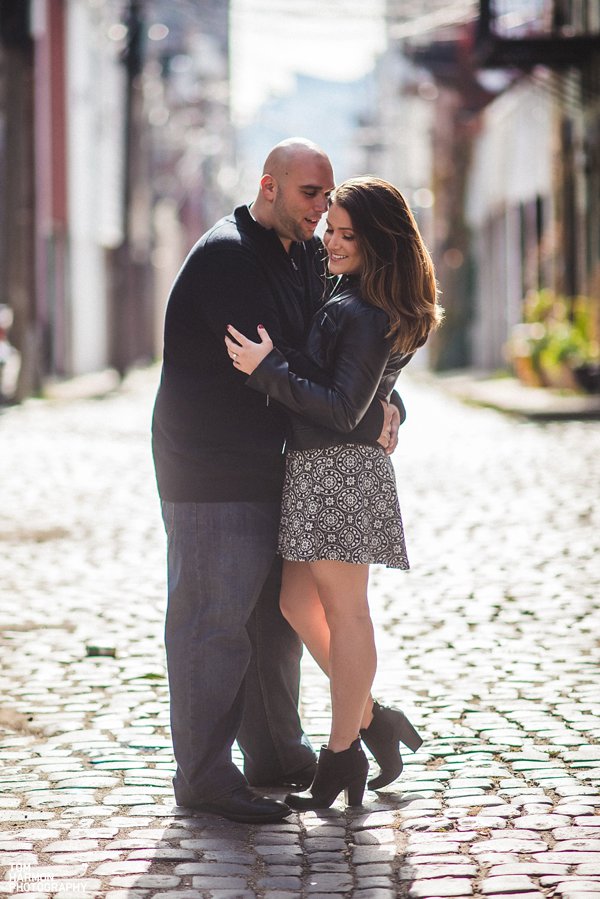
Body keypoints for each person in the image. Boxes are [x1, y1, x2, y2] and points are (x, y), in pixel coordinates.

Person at [151, 141, 404, 823]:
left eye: (328, 196)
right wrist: (357, 403)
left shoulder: (301, 254)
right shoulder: (229, 254)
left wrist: (385, 402)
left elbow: (339, 356)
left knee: (273, 619)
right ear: (269, 186)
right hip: (212, 466)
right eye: (310, 194)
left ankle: (276, 753)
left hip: (278, 462)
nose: (323, 210)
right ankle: (204, 777)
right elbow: (275, 357)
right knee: (213, 622)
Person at [225, 175, 443, 809]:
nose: (333, 241)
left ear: (380, 241)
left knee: (347, 613)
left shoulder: (368, 310)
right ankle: (373, 718)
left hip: (343, 474)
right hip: (318, 470)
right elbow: (362, 388)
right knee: (297, 604)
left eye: (349, 234)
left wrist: (268, 372)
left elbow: (345, 407)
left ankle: (342, 754)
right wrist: (388, 398)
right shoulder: (351, 294)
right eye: (331, 230)